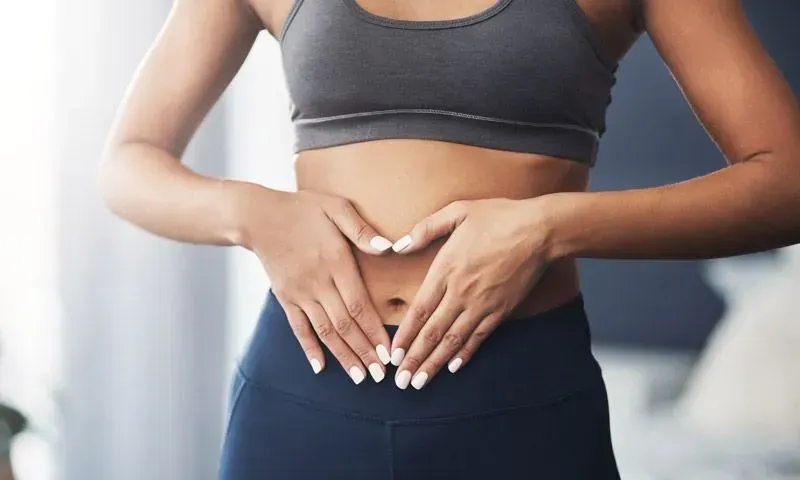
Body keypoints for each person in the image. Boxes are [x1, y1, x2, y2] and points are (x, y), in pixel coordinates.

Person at [96, 0, 800, 478]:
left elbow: (787, 182)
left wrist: (547, 228)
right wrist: (254, 214)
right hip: (302, 392)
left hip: (519, 403)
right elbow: (129, 161)